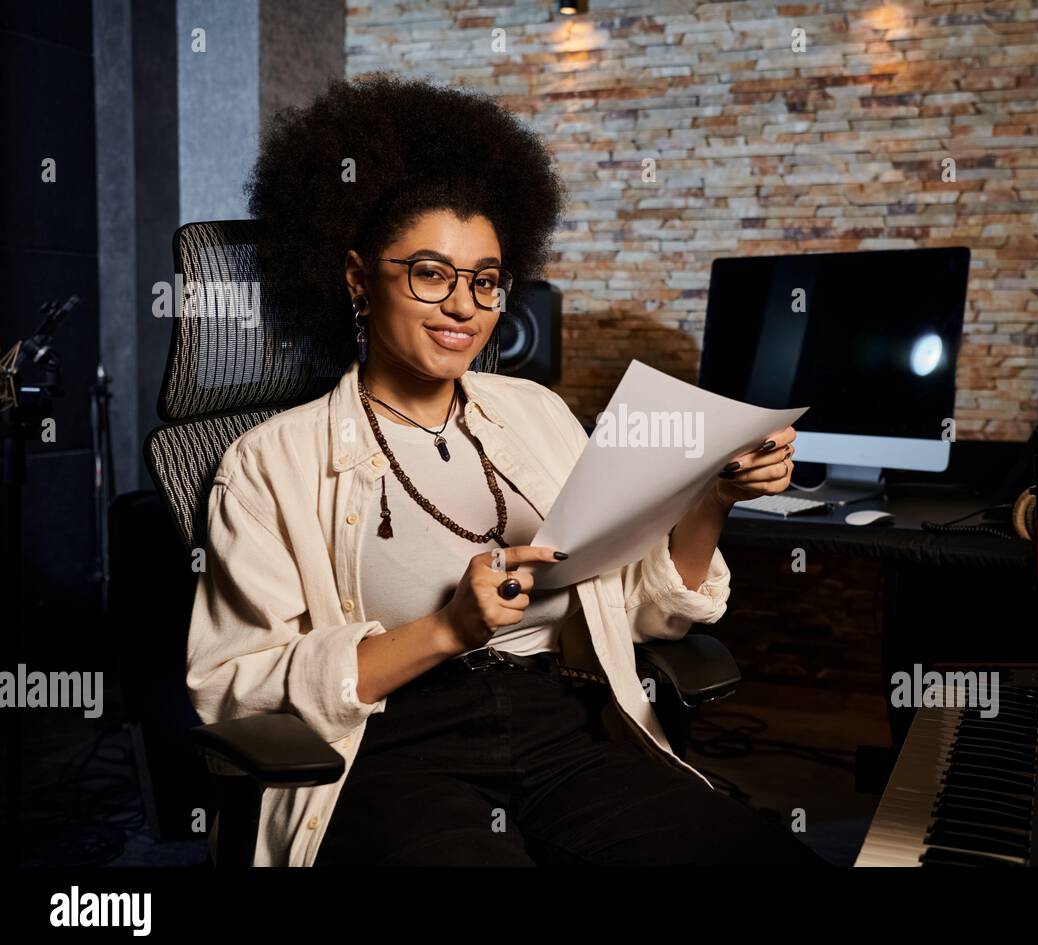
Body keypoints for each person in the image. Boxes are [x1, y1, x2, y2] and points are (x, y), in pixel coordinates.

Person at [186, 73, 825, 867]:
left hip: (564, 725)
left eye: (485, 280)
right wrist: (447, 630)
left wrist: (713, 499)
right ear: (356, 277)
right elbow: (232, 685)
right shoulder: (269, 462)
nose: (464, 306)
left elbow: (642, 612)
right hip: (395, 751)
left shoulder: (535, 413)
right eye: (430, 272)